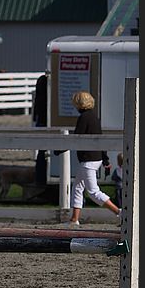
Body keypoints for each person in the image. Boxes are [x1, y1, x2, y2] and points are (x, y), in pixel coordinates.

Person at [57, 91, 120, 226]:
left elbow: (76, 138)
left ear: (79, 104)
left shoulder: (84, 118)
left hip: (88, 160)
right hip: (95, 158)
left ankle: (119, 213)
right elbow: (100, 139)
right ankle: (74, 219)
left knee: (93, 192)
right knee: (78, 188)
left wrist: (60, 149)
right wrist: (105, 159)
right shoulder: (94, 117)